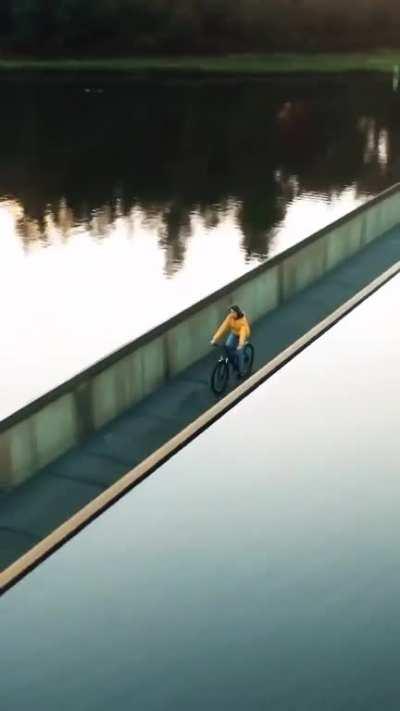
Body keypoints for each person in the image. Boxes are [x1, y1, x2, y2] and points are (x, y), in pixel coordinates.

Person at [210, 304, 251, 376]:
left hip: (243, 334)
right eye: (230, 312)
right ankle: (234, 357)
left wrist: (240, 345)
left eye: (233, 312)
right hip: (234, 333)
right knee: (228, 346)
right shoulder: (230, 317)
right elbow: (223, 327)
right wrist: (214, 339)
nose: (231, 314)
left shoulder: (242, 322)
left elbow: (243, 333)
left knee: (239, 353)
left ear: (237, 313)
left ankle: (241, 372)